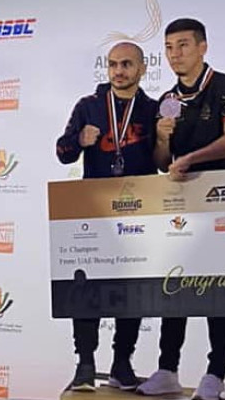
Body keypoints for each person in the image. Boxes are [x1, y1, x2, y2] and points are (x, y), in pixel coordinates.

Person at [137, 18, 225, 400]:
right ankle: (167, 369)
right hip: (180, 204)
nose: (175, 54)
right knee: (174, 284)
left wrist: (191, 159)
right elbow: (161, 161)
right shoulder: (167, 98)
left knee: (219, 289)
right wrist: (163, 141)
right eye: (168, 47)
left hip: (221, 200)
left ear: (202, 47)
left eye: (183, 45)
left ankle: (215, 373)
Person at [56, 42, 159, 391]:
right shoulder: (88, 106)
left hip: (139, 209)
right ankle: (85, 364)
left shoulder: (152, 109)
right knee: (86, 288)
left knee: (132, 289)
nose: (119, 71)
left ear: (142, 68)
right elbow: (62, 152)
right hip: (94, 210)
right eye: (113, 64)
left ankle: (121, 362)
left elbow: (162, 159)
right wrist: (79, 140)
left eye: (127, 64)